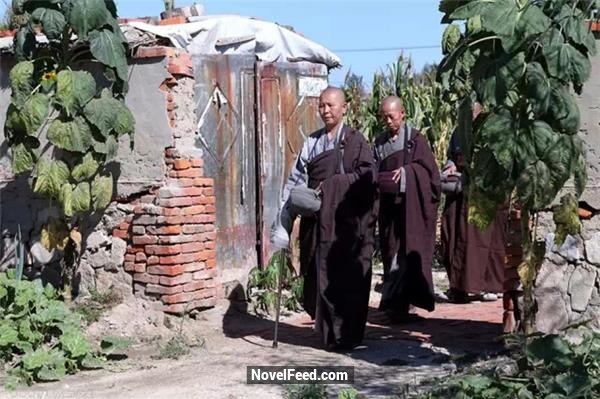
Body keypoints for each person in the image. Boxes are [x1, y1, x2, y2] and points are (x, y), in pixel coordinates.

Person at [271, 87, 378, 350]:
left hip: (348, 226)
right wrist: (285, 217)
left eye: (331, 105)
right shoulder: (312, 142)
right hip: (319, 222)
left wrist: (332, 185)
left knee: (348, 280)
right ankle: (328, 335)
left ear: (344, 108)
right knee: (321, 276)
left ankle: (347, 335)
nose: (325, 110)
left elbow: (368, 178)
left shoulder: (355, 141)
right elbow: (296, 180)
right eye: (321, 106)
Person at [374, 96, 441, 321]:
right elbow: (375, 169)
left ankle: (407, 304)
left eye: (392, 116)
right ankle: (395, 305)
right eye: (384, 117)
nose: (388, 121)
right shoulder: (380, 141)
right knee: (391, 253)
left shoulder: (415, 140)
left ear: (402, 113)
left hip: (411, 208)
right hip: (389, 209)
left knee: (407, 255)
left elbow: (430, 174)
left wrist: (406, 173)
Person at [440, 102, 507, 303]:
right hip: (460, 193)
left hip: (483, 193)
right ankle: (458, 286)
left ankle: (488, 286)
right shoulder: (458, 132)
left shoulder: (491, 132)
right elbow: (451, 157)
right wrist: (450, 168)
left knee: (484, 241)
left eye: (472, 113)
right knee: (451, 235)